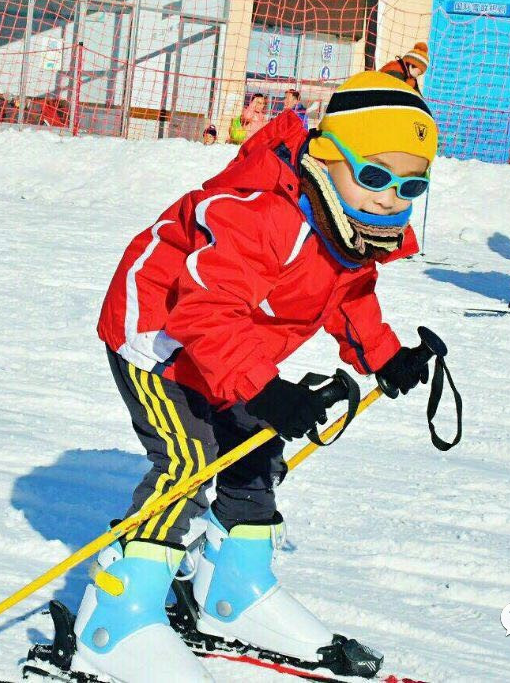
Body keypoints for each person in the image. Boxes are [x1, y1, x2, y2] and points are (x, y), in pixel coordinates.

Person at [73, 71, 442, 682]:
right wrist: (266, 389)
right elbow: (206, 310)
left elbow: (348, 294)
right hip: (159, 335)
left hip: (228, 343)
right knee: (189, 459)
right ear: (327, 157)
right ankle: (115, 618)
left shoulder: (350, 226)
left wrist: (383, 356)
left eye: (411, 185)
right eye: (374, 175)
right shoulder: (260, 214)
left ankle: (232, 590)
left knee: (253, 447)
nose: (389, 198)